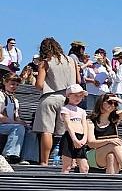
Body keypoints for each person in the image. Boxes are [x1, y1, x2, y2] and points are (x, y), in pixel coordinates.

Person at [33, 37, 79, 166]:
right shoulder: (71, 61)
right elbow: (78, 81)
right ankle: (68, 162)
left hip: (50, 97)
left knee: (47, 130)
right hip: (67, 99)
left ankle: (44, 161)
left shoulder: (45, 62)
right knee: (63, 132)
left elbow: (39, 84)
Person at [85, 92, 122, 175]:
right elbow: (91, 143)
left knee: (111, 156)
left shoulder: (115, 117)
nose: (112, 105)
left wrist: (121, 101)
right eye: (110, 102)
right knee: (114, 144)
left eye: (115, 103)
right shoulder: (90, 121)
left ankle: (110, 185)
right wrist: (109, 141)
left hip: (110, 153)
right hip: (93, 154)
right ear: (101, 102)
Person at [59, 84, 90, 174]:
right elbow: (68, 124)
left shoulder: (82, 111)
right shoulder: (65, 109)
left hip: (80, 137)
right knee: (67, 166)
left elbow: (85, 125)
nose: (78, 98)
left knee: (85, 167)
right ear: (68, 95)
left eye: (80, 96)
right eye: (76, 95)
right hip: (69, 137)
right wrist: (74, 139)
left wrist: (84, 138)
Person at [0, 73, 28, 162]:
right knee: (18, 128)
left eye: (17, 85)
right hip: (2, 125)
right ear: (5, 82)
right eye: (12, 84)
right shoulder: (1, 95)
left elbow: (16, 117)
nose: (14, 86)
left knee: (31, 131)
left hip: (9, 125)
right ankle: (9, 154)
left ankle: (28, 157)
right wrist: (16, 123)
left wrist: (22, 122)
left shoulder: (15, 100)